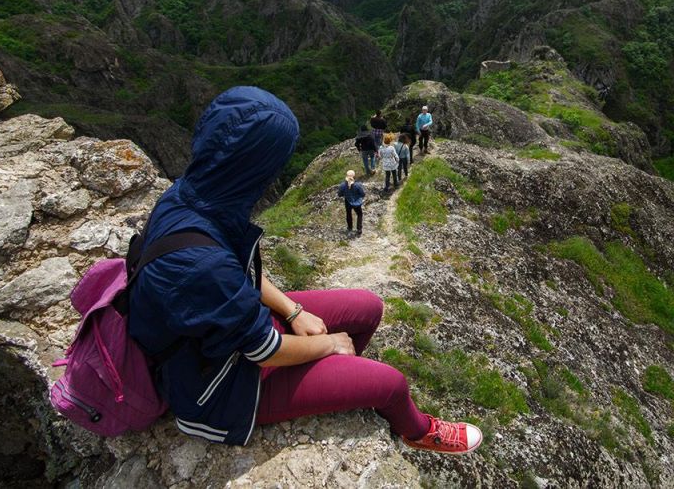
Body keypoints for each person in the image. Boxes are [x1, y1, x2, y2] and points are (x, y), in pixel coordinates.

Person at [127, 87, 481, 454]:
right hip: (219, 385)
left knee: (368, 306)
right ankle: (418, 430)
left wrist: (293, 311)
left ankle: (333, 375)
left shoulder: (195, 195)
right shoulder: (202, 260)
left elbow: (235, 271)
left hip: (229, 329)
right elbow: (262, 349)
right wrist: (328, 342)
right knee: (391, 384)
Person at [337, 170, 365, 237]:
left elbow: (339, 194)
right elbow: (363, 194)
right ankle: (359, 229)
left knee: (348, 214)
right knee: (359, 214)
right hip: (357, 202)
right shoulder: (358, 185)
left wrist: (345, 194)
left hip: (348, 201)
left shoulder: (342, 185)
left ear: (346, 176)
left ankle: (350, 228)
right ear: (354, 176)